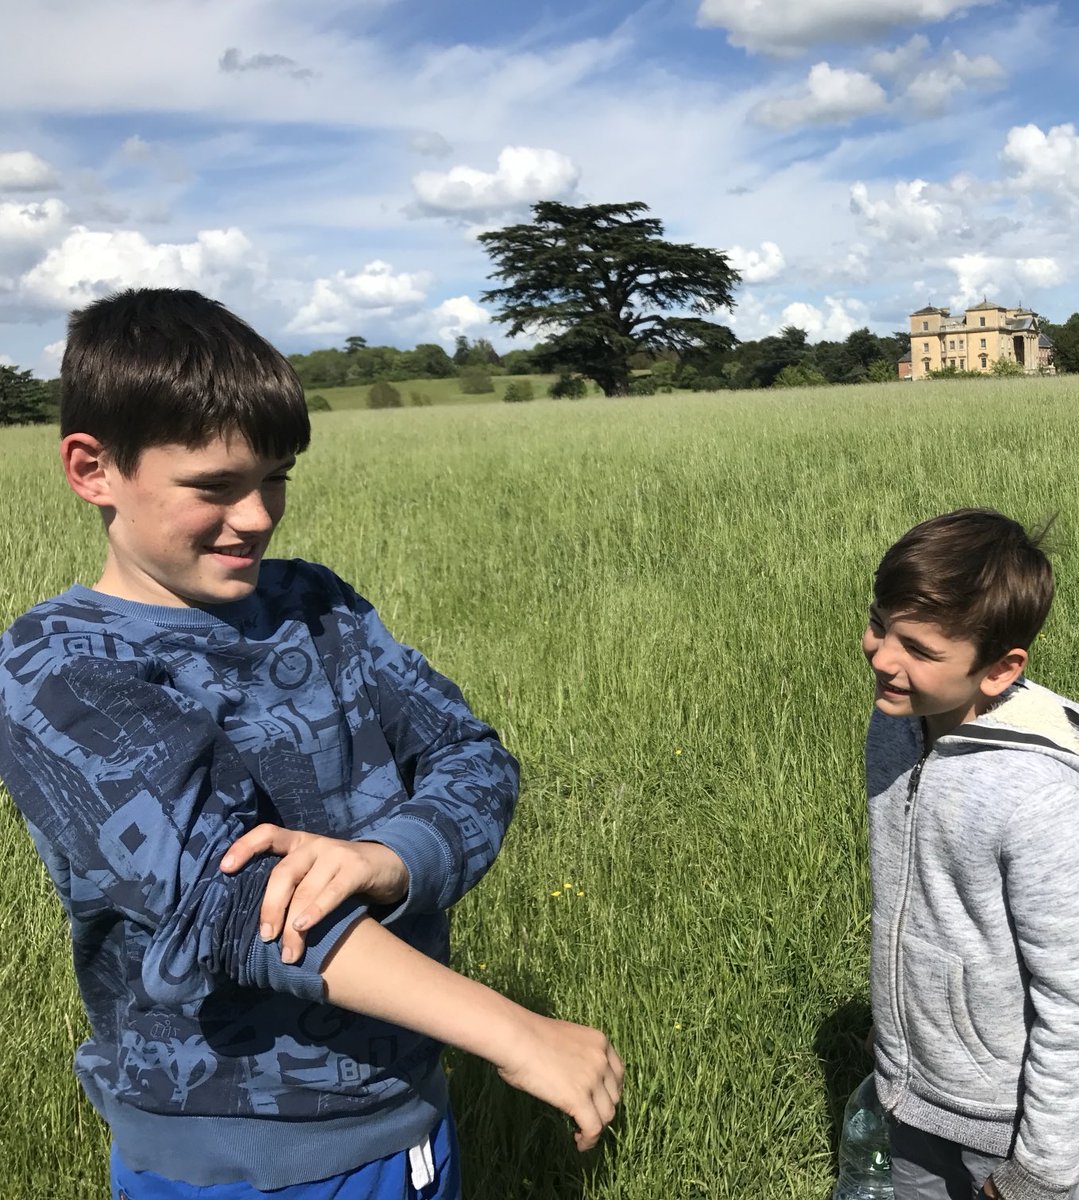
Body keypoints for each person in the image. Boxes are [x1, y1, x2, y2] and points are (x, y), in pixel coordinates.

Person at [0, 288, 623, 1199]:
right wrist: (513, 1032)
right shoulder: (57, 667)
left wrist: (388, 858)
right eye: (214, 486)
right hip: (238, 1162)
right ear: (93, 468)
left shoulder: (314, 605)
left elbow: (471, 754)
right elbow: (230, 907)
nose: (256, 516)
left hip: (410, 1114)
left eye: (277, 476)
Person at [860, 509, 1079, 1200]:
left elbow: (1078, 1009)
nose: (884, 657)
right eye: (879, 625)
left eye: (917, 648)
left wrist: (1038, 1171)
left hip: (1003, 1129)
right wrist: (899, 1038)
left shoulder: (1044, 806)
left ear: (1000, 670)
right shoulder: (897, 730)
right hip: (912, 1095)